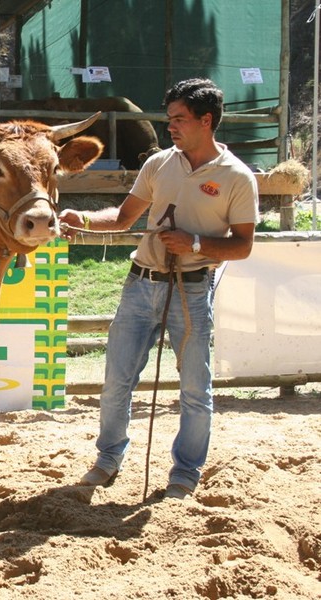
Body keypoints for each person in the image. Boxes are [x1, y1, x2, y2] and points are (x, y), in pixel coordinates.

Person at [58, 78, 258, 500]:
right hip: (140, 284)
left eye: (179, 119)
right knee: (116, 381)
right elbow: (123, 218)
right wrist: (84, 220)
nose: (171, 127)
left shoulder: (237, 177)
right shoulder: (158, 163)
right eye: (170, 118)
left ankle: (185, 474)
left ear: (206, 121)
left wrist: (195, 244)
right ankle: (107, 459)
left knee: (195, 390)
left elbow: (242, 246)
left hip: (192, 290)